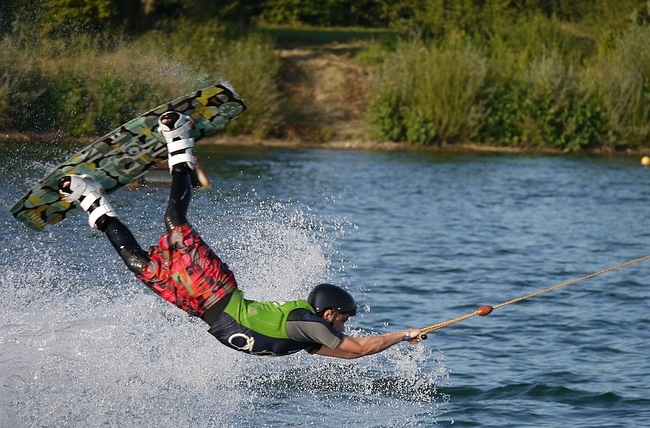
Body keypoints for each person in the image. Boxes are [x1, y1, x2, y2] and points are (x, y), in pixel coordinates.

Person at [58, 111, 422, 359]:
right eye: (343, 319)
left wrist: (393, 344)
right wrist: (403, 334)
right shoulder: (304, 322)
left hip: (198, 307)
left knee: (139, 263)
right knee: (173, 222)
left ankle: (91, 200)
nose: (345, 325)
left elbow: (347, 354)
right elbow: (356, 347)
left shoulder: (305, 337)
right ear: (328, 313)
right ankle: (177, 139)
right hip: (215, 290)